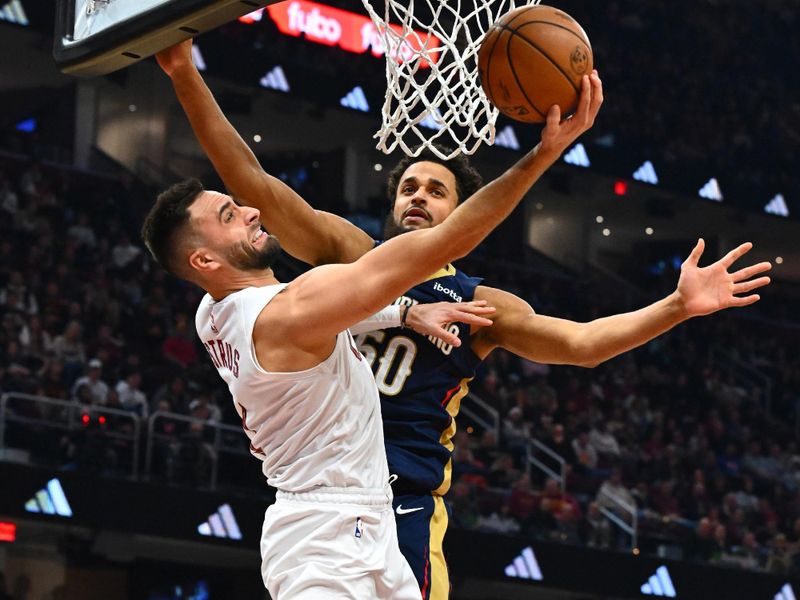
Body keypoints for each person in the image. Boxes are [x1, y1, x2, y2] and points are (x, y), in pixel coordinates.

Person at [155, 40, 769, 599]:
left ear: (460, 213)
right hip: (329, 498)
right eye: (409, 187)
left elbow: (583, 344)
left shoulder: (480, 304)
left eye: (437, 190)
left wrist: (677, 306)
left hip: (405, 509)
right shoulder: (346, 257)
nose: (418, 196)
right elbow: (253, 182)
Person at [142, 52, 601, 597]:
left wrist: (405, 312)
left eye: (238, 206)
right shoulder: (293, 306)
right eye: (229, 216)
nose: (251, 212)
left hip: (367, 517)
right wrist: (544, 154)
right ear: (204, 261)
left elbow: (332, 314)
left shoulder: (213, 310)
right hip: (325, 535)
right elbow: (440, 245)